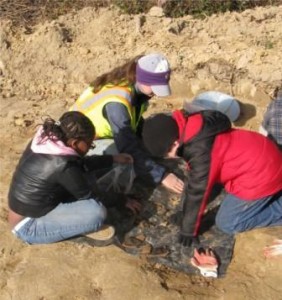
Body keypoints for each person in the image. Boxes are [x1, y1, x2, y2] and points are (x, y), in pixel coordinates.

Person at [142, 109, 282, 247]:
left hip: (264, 176)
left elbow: (197, 192)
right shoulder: (195, 122)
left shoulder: (202, 155)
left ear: (174, 144)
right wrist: (184, 212)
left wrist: (188, 229)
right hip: (263, 153)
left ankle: (278, 207)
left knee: (227, 223)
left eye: (167, 155)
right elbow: (194, 181)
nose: (168, 158)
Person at [8, 111, 140, 245]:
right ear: (75, 143)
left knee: (85, 175)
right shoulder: (63, 165)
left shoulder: (47, 142)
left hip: (29, 209)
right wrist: (122, 200)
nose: (89, 149)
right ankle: (73, 226)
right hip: (29, 225)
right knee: (96, 212)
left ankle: (70, 222)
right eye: (89, 145)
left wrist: (112, 159)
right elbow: (91, 195)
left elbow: (79, 164)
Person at [69, 53, 184, 194]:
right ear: (144, 80)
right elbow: (127, 145)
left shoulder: (133, 85)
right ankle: (107, 192)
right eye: (154, 88)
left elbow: (134, 123)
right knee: (123, 158)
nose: (156, 93)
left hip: (95, 138)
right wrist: (161, 175)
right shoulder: (117, 104)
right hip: (78, 150)